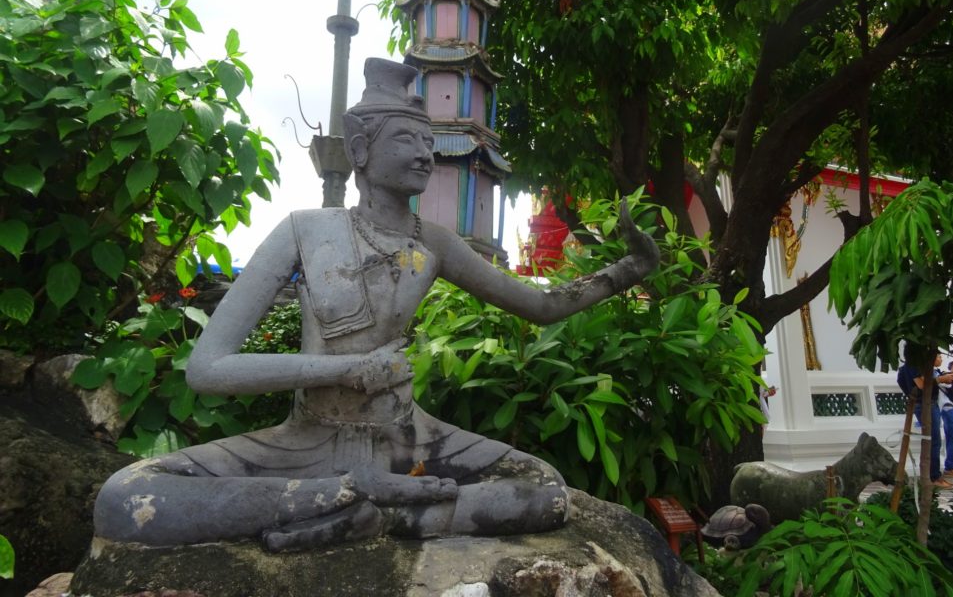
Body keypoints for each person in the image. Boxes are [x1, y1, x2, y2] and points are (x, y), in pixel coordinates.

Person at [92, 58, 660, 552]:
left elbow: (539, 305)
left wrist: (624, 270)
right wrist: (350, 371)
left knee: (545, 490)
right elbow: (207, 369)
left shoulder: (434, 243)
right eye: (405, 140)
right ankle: (342, 495)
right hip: (307, 439)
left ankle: (372, 515)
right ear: (361, 148)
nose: (424, 153)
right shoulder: (303, 231)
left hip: (409, 438)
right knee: (125, 498)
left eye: (428, 141)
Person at [902, 353, 953, 490]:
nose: (940, 358)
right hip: (924, 404)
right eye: (937, 355)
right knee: (933, 441)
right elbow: (922, 385)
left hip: (929, 404)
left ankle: (933, 475)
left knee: (933, 441)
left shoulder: (921, 367)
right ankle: (934, 476)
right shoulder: (912, 366)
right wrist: (940, 379)